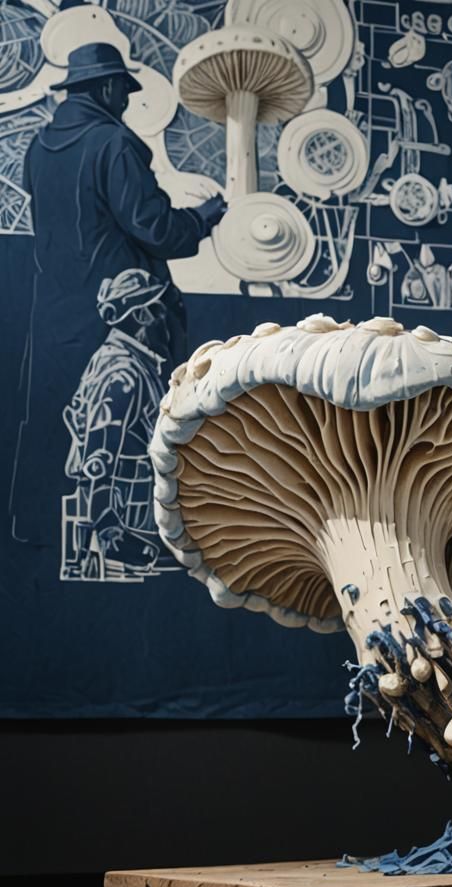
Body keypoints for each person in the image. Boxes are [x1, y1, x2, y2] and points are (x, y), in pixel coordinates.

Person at [9, 42, 226, 547]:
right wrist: (203, 218)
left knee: (74, 416)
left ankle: (43, 533)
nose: (127, 101)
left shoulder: (40, 146)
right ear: (107, 89)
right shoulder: (113, 143)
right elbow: (155, 229)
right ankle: (127, 531)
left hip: (58, 311)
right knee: (141, 421)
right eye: (124, 91)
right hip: (124, 312)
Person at [61, 269, 176, 580]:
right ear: (140, 315)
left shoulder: (124, 360)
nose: (164, 315)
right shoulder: (122, 373)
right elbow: (98, 459)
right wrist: (109, 528)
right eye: (158, 307)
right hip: (134, 522)